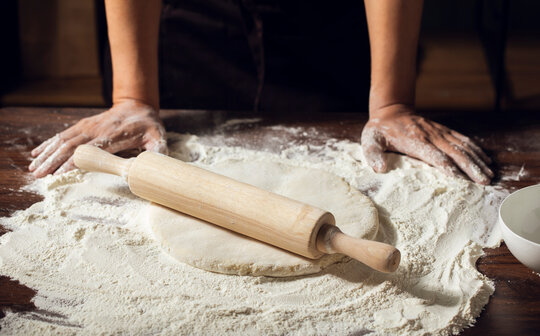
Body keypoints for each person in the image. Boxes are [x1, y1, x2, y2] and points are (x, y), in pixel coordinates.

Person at [29, 0, 493, 184]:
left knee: (358, 170)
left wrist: (390, 102)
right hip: (182, 21)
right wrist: (132, 96)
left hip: (327, 22)